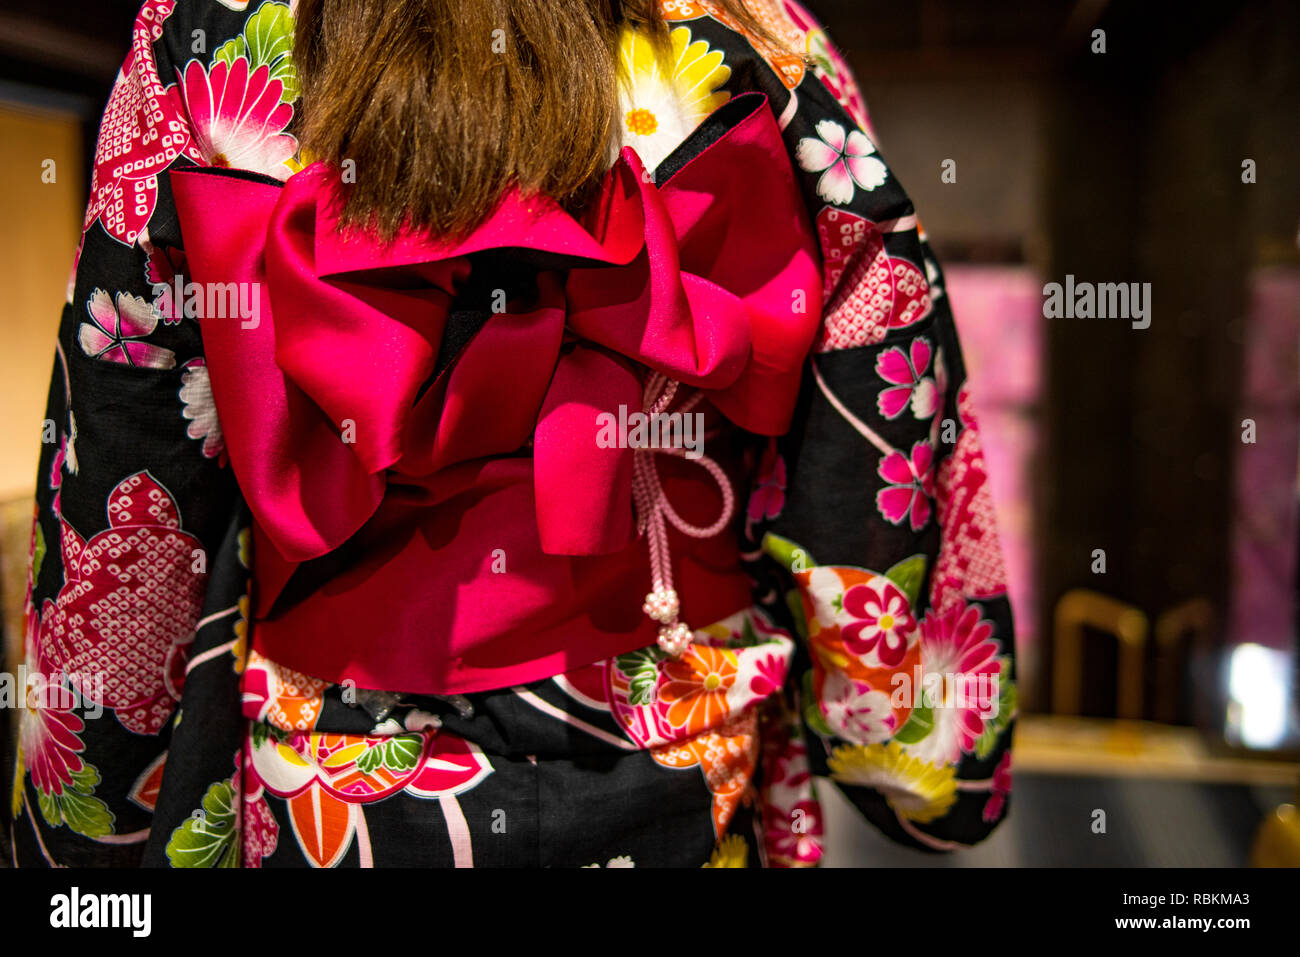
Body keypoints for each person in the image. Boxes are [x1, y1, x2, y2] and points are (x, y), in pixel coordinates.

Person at [10, 0, 1017, 868]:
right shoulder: (744, 25)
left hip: (330, 763)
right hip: (678, 719)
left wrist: (89, 805)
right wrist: (909, 735)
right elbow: (882, 385)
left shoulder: (212, 30)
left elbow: (126, 445)